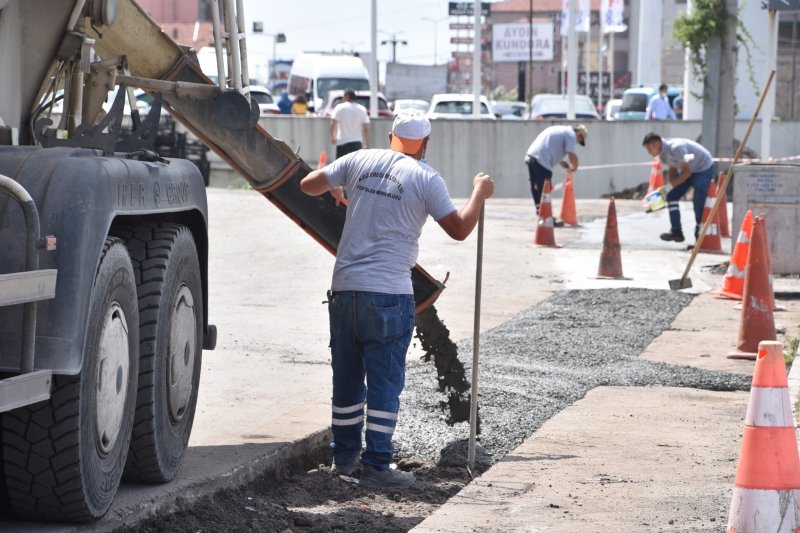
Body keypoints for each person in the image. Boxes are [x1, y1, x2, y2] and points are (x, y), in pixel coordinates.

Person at [300, 114, 494, 489]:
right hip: (388, 294)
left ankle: (343, 461)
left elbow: (308, 185)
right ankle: (377, 467)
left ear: (390, 137)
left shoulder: (358, 160)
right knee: (385, 384)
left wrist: (336, 189)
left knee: (347, 378)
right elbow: (458, 229)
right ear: (425, 144)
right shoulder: (426, 178)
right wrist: (478, 194)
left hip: (345, 290)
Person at [642, 132, 714, 243]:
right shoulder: (662, 153)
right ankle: (676, 232)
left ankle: (699, 239)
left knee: (699, 202)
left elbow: (687, 172)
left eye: (649, 148)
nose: (649, 152)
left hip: (702, 168)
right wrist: (668, 190)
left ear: (657, 143)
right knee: (671, 196)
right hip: (690, 170)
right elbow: (673, 168)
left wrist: (667, 187)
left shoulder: (676, 148)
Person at [524, 124, 587, 214]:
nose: (577, 142)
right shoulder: (571, 134)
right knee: (545, 189)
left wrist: (561, 162)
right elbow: (572, 155)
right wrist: (575, 167)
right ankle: (546, 216)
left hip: (531, 156)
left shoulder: (560, 129)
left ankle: (541, 212)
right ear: (579, 134)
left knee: (537, 187)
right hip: (541, 161)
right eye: (579, 140)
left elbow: (549, 145)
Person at [330, 88, 370, 159]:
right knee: (356, 167)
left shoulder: (339, 107)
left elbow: (333, 123)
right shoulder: (362, 109)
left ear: (347, 96)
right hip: (357, 142)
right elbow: (366, 128)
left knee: (341, 167)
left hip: (342, 142)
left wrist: (333, 137)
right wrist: (367, 144)